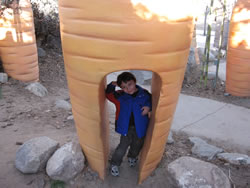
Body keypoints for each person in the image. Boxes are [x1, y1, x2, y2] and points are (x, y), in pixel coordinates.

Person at [105, 72, 152, 177]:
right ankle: (115, 163)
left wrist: (149, 107)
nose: (128, 89)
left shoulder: (144, 94)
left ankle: (132, 157)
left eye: (130, 84)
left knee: (137, 145)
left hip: (140, 128)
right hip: (126, 128)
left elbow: (153, 101)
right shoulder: (120, 95)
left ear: (135, 82)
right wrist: (113, 84)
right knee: (122, 147)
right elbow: (108, 94)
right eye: (124, 87)